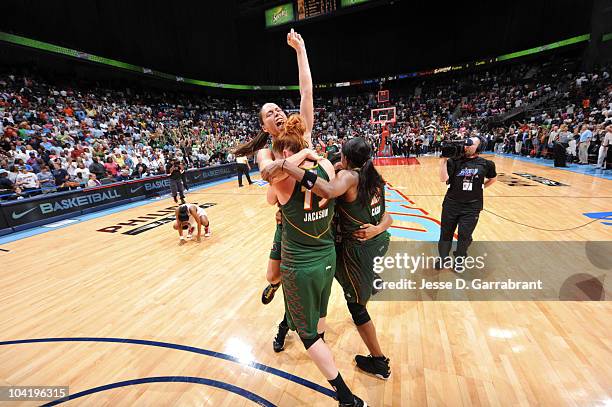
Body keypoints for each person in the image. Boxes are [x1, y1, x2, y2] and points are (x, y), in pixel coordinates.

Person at [262, 137, 393, 380]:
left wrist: (288, 167)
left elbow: (329, 190)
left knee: (356, 308)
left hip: (355, 251)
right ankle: (288, 321)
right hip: (376, 243)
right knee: (312, 288)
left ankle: (380, 361)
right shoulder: (374, 178)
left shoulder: (347, 178)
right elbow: (388, 218)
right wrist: (377, 228)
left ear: (345, 157)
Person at [265, 115, 367, 407]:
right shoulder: (324, 165)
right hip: (326, 258)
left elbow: (271, 192)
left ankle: (345, 395)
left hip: (300, 265)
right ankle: (302, 331)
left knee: (309, 336)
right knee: (318, 322)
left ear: (284, 152)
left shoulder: (282, 179)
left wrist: (286, 163)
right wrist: (307, 153)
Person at [233, 29, 317, 353]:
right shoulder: (265, 152)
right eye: (269, 113)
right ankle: (279, 291)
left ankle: (285, 327)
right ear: (266, 127)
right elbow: (268, 174)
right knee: (273, 276)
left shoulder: (302, 131)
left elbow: (306, 90)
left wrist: (301, 50)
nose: (277, 113)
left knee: (299, 287)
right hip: (287, 220)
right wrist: (303, 157)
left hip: (313, 215)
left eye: (278, 109)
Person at [438, 136, 497, 273]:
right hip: (451, 204)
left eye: (470, 144)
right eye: (466, 143)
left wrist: (481, 187)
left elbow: (493, 179)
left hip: (472, 207)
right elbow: (443, 179)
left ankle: (459, 259)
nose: (466, 146)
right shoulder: (454, 161)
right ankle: (443, 257)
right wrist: (443, 162)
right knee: (445, 234)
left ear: (479, 147)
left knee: (464, 236)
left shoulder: (486, 164)